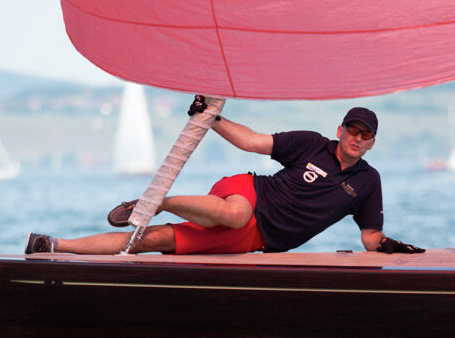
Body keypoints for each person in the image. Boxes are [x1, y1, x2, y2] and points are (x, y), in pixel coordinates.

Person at [24, 101, 425, 255]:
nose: (357, 138)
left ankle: (52, 244)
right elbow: (250, 141)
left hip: (258, 238)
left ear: (372, 143)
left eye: (366, 136)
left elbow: (370, 236)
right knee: (234, 213)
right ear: (340, 130)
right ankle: (157, 201)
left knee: (155, 240)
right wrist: (211, 118)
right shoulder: (310, 143)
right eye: (353, 131)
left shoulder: (368, 182)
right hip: (247, 194)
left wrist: (389, 246)